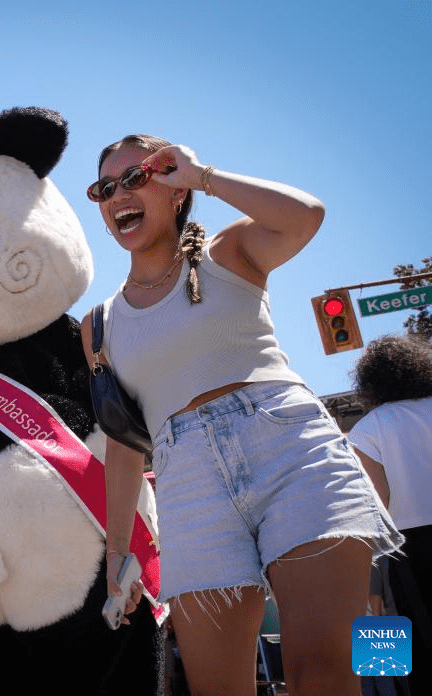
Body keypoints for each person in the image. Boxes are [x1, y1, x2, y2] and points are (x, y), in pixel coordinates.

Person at [80, 134, 402, 696]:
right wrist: (118, 550)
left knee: (321, 676)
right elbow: (126, 444)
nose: (118, 195)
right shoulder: (99, 326)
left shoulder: (228, 254)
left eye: (137, 178)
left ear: (174, 189)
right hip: (187, 483)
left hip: (290, 451)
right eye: (105, 188)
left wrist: (203, 174)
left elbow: (305, 216)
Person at [350, 335, 432, 696]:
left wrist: (367, 579)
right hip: (405, 547)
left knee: (411, 657)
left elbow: (375, 506)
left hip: (405, 549)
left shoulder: (370, 427)